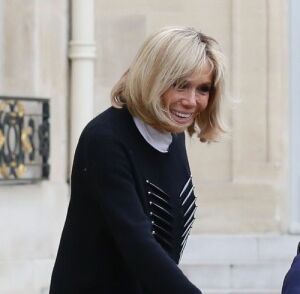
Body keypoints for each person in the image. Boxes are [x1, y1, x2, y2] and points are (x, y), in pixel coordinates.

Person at [49, 26, 226, 294]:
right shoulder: (105, 139)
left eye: (203, 89)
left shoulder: (172, 134)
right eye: (180, 84)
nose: (192, 101)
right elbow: (137, 243)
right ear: (153, 78)